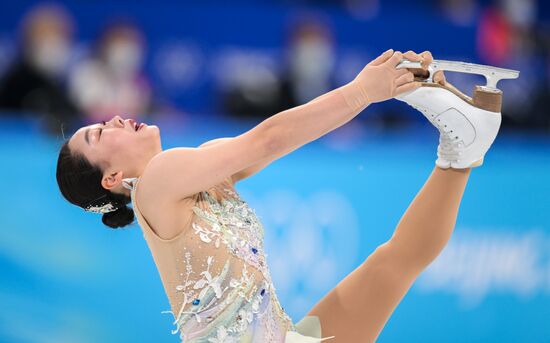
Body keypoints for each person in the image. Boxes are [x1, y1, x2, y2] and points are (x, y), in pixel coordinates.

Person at [56, 49, 498, 342]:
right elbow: (267, 139)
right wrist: (364, 91)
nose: (112, 119)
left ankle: (463, 150)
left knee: (394, 262)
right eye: (98, 133)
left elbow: (285, 138)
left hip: (286, 337)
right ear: (111, 178)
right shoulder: (158, 182)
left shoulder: (197, 170)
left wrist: (390, 89)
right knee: (394, 264)